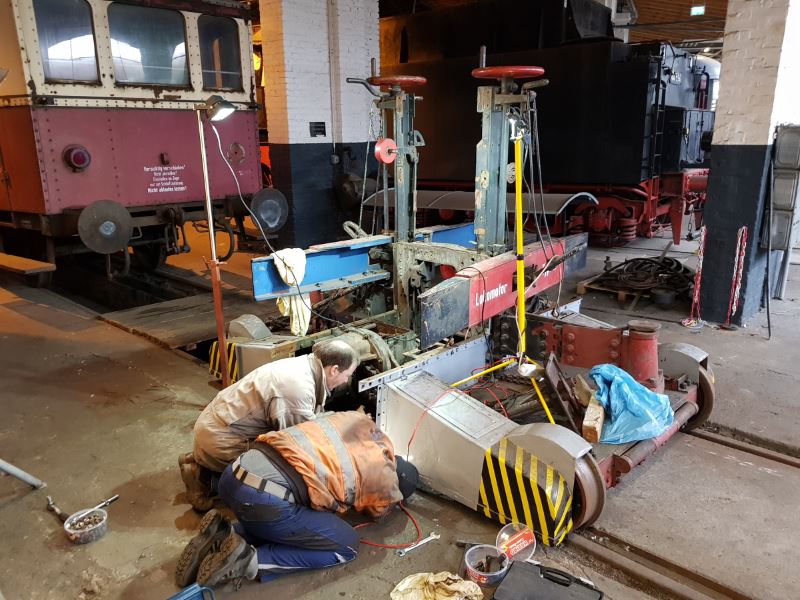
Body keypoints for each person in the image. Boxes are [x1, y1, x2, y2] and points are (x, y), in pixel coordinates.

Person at [174, 410, 418, 588]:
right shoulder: (385, 479)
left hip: (234, 473)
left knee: (289, 516)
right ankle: (248, 560)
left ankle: (224, 532)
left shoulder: (358, 420)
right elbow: (376, 513)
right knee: (347, 545)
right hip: (261, 499)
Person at [179, 339, 360, 511]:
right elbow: (299, 442)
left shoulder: (304, 365)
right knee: (281, 474)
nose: (346, 381)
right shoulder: (297, 390)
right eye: (347, 375)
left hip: (217, 424)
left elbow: (309, 417)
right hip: (220, 438)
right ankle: (205, 478)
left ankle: (200, 461)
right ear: (334, 370)